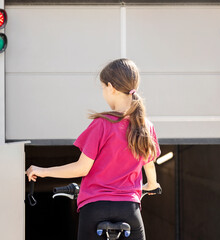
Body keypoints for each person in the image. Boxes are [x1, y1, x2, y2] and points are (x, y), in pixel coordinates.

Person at [26, 58, 161, 240]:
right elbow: (149, 166)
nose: (104, 93)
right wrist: (151, 185)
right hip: (128, 209)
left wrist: (43, 171)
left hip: (94, 208)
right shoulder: (145, 126)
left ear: (111, 87)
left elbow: (82, 168)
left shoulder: (102, 124)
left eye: (103, 88)